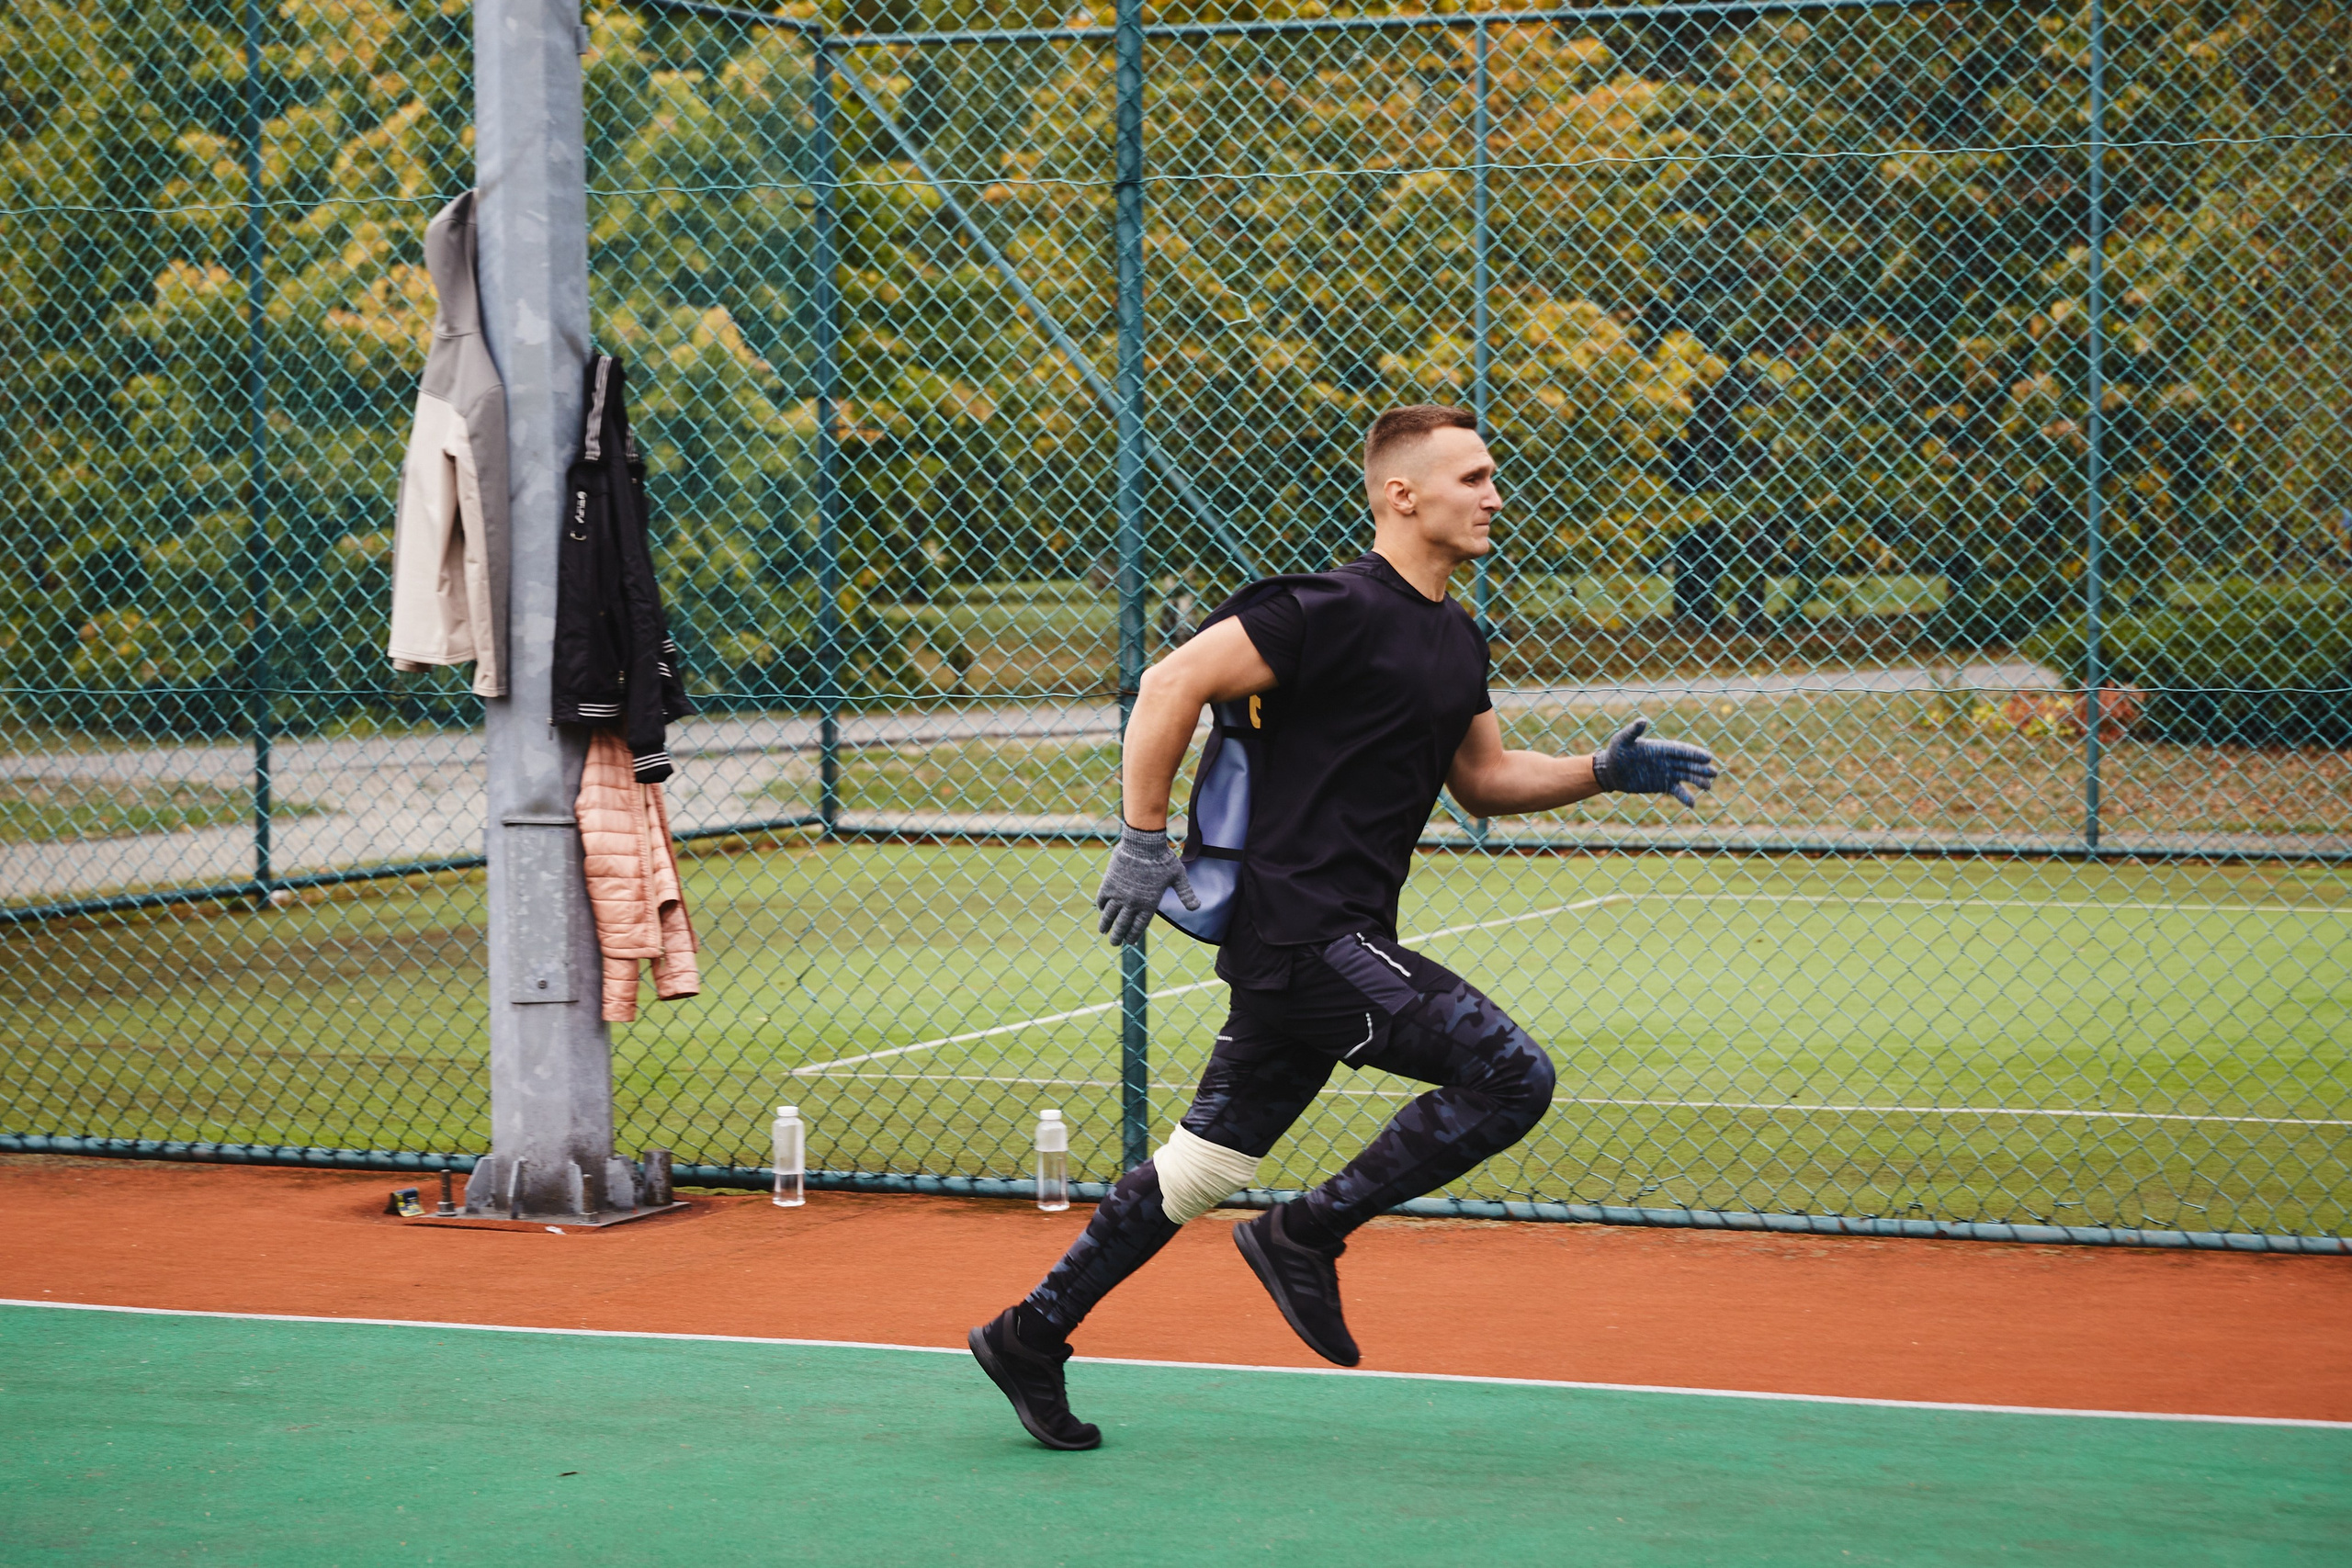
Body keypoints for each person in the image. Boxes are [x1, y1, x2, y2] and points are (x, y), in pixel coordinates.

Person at [967, 405, 1720, 1450]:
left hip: (1330, 941)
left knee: (1201, 1171)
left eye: (1492, 477)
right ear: (1402, 494)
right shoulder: (1323, 608)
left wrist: (1601, 770)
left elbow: (1484, 779)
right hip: (1304, 935)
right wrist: (1143, 838)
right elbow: (1172, 681)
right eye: (1473, 478)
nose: (1495, 496)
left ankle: (1030, 1333)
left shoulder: (1456, 637)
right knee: (1511, 1076)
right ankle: (1306, 1233)